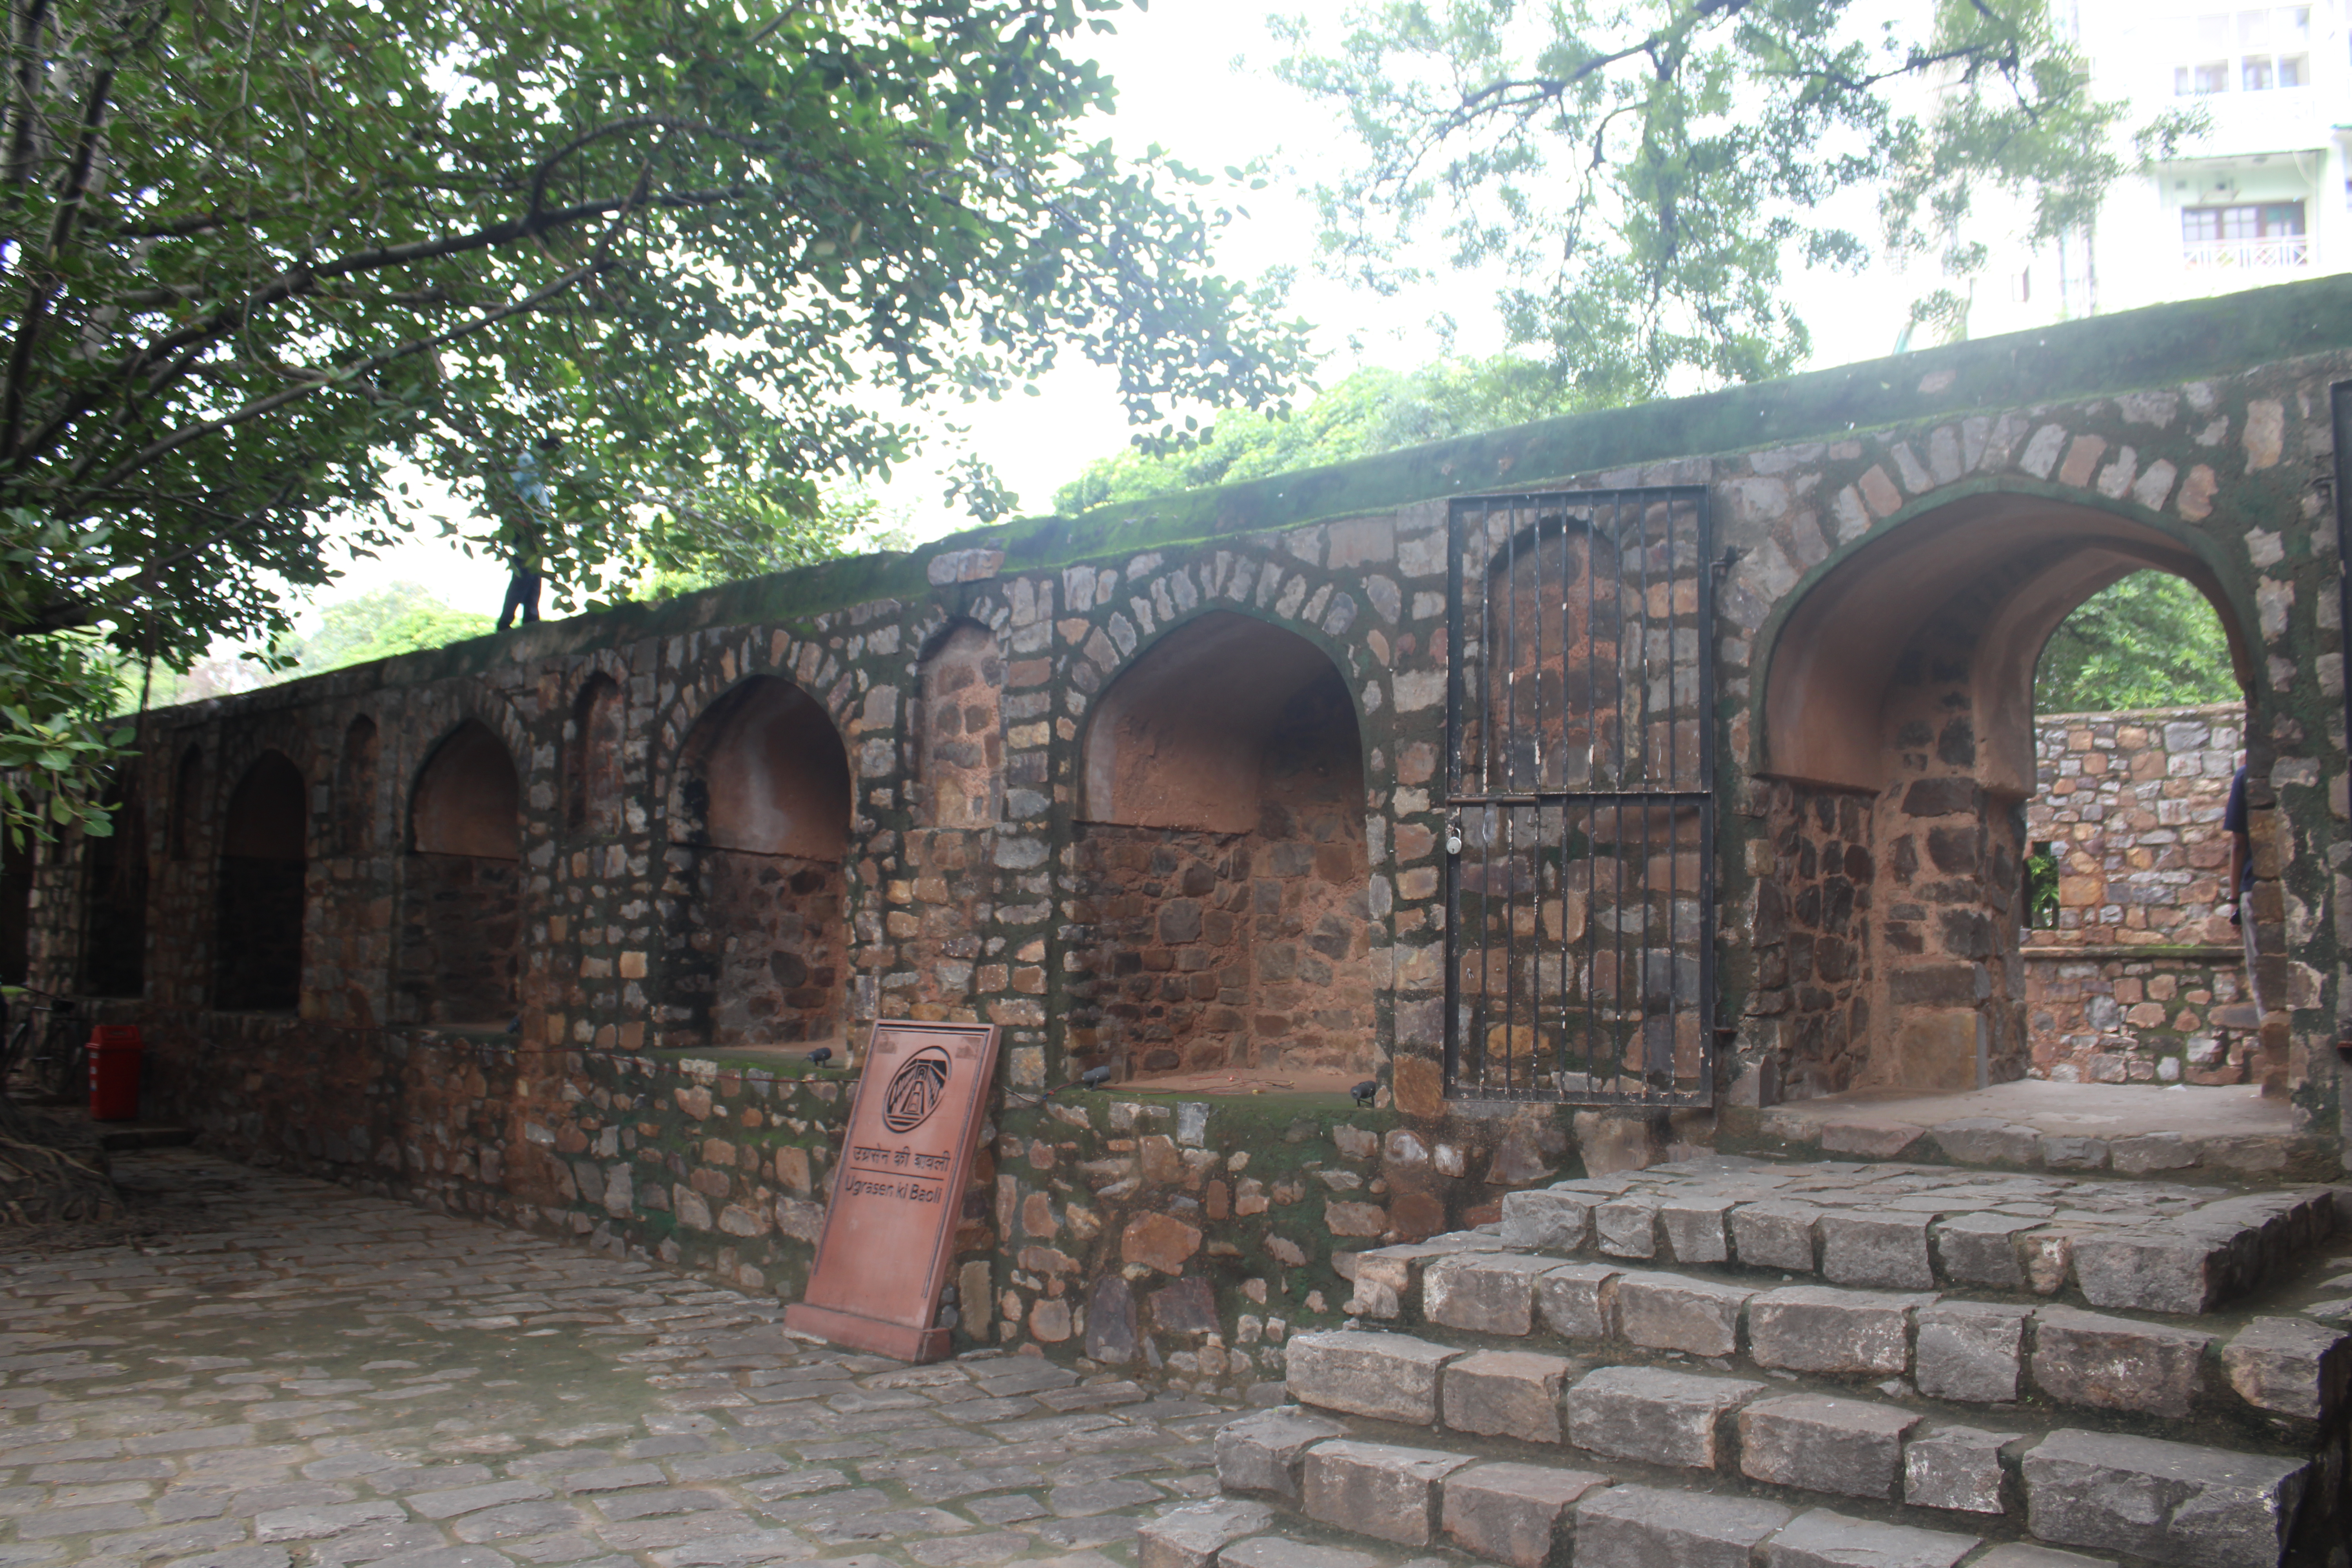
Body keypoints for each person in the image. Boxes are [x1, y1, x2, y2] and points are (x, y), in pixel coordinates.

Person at [496, 435, 558, 630]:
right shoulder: (525, 461)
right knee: (524, 572)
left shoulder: (539, 473)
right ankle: (506, 621)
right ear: (548, 450)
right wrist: (516, 519)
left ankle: (531, 618)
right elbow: (507, 489)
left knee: (534, 573)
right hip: (522, 526)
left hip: (535, 530)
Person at [2223, 758, 2265, 1013]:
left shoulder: (2247, 776)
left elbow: (2238, 843)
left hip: (2254, 884)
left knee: (2261, 972)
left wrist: (2233, 900)